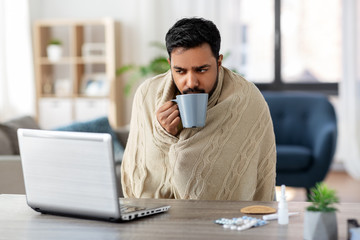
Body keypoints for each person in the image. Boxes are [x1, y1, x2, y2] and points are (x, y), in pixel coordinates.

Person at [121, 17, 276, 201]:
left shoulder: (247, 99)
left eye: (201, 70)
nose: (191, 82)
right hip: (157, 220)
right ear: (169, 63)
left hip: (229, 223)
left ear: (219, 62)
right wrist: (164, 136)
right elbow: (139, 182)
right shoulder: (147, 95)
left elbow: (255, 183)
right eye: (180, 71)